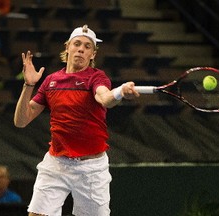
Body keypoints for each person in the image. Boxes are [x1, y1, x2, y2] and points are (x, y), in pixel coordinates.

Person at [14, 24, 140, 216]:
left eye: (87, 46)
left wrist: (119, 93)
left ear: (93, 55)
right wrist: (28, 85)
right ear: (67, 48)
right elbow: (21, 121)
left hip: (91, 169)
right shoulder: (51, 81)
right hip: (56, 163)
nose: (81, 48)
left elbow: (104, 98)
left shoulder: (96, 77)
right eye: (77, 44)